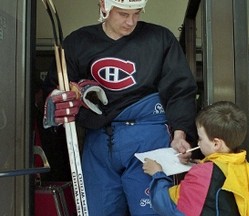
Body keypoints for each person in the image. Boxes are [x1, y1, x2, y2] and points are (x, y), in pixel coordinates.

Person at [42, 0, 198, 215]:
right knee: (99, 210)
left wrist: (180, 133)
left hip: (149, 134)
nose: (130, 22)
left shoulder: (160, 38)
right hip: (99, 138)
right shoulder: (78, 42)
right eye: (123, 14)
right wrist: (65, 95)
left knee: (152, 210)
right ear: (104, 6)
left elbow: (180, 88)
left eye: (136, 14)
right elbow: (56, 87)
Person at [143, 101, 249, 216]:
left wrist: (157, 174)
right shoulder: (246, 168)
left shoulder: (204, 174)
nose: (198, 143)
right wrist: (204, 166)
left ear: (216, 143)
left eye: (200, 138)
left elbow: (169, 206)